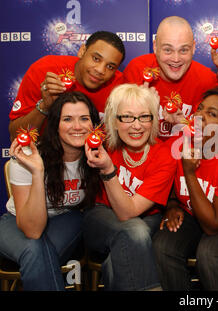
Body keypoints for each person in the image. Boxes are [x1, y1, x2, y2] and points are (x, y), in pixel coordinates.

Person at [152, 86, 218, 291]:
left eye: (211, 114)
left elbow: (213, 224)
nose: (199, 116)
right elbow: (171, 185)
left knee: (209, 253)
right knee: (163, 246)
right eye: (199, 109)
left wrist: (190, 173)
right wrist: (173, 204)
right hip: (193, 211)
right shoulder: (180, 143)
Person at [0, 91, 102, 290]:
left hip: (67, 218)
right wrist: (38, 173)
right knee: (34, 250)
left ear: (94, 124)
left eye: (84, 118)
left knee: (38, 256)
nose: (77, 126)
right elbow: (32, 230)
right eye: (67, 119)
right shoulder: (28, 157)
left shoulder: (99, 157)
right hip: (16, 220)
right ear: (55, 125)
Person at [83, 83, 176, 290]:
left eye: (145, 116)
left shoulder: (164, 155)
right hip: (101, 217)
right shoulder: (101, 144)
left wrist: (108, 171)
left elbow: (129, 212)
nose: (137, 125)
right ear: (113, 121)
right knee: (135, 231)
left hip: (146, 218)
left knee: (115, 263)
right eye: (127, 117)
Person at [123, 16, 218, 138]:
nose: (176, 59)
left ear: (194, 48)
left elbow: (217, 134)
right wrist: (142, 109)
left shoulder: (206, 78)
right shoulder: (137, 70)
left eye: (183, 50)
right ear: (155, 47)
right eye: (168, 50)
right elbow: (120, 129)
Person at [9, 30, 125, 141]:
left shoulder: (120, 87)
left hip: (93, 156)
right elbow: (15, 136)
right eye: (96, 59)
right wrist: (45, 106)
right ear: (82, 51)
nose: (100, 70)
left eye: (110, 67)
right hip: (43, 153)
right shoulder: (44, 71)